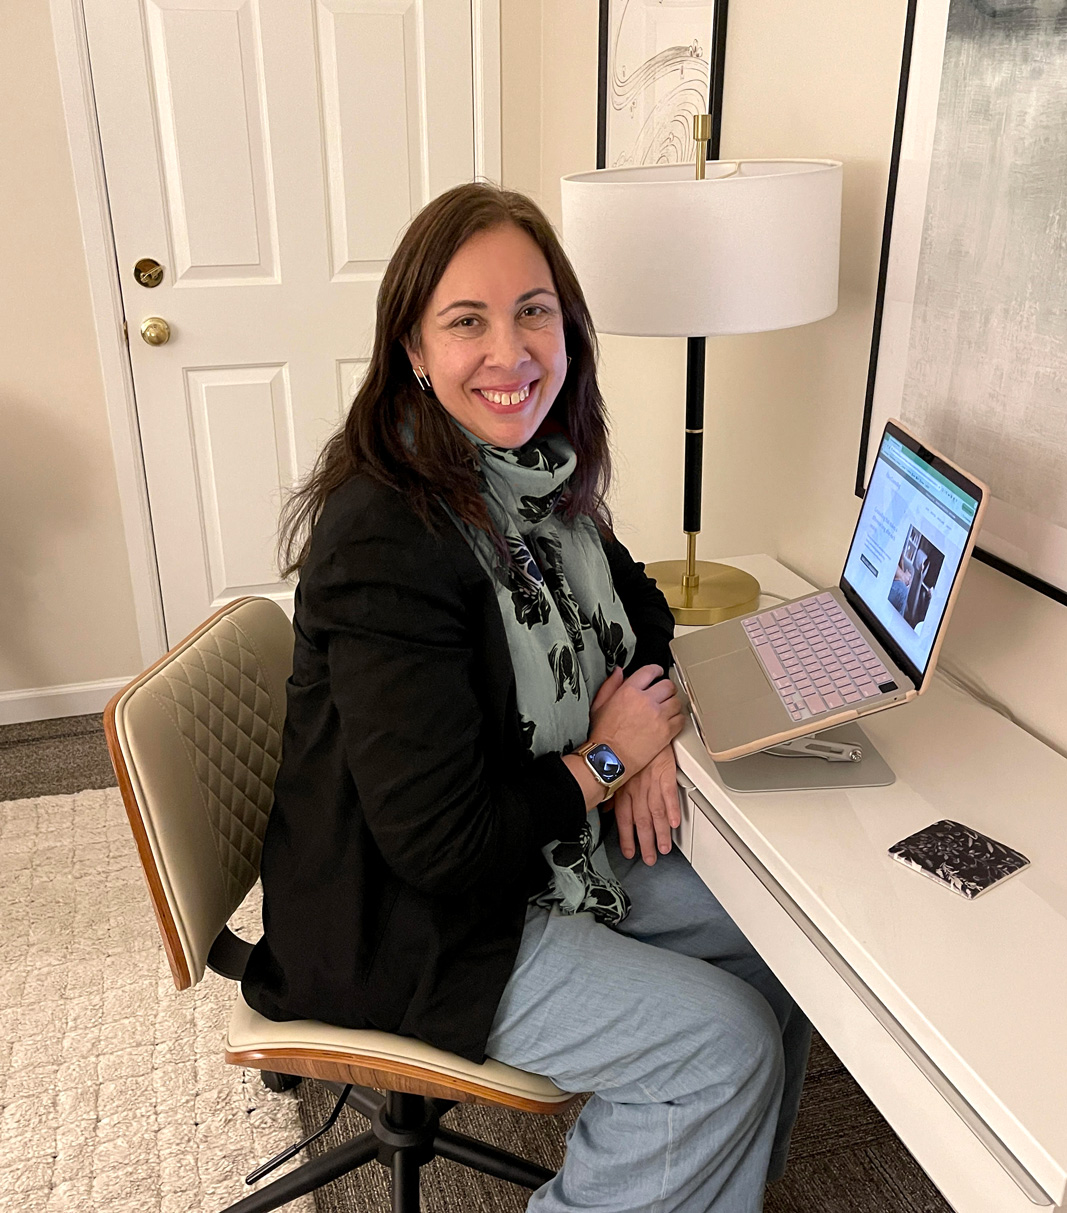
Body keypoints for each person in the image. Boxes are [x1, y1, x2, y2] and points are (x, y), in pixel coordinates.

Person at [242, 182, 810, 1211]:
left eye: (533, 311)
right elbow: (439, 844)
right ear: (413, 349)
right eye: (467, 321)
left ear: (566, 324)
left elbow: (639, 612)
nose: (510, 353)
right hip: (407, 920)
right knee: (715, 1044)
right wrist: (602, 763)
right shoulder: (389, 532)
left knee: (780, 933)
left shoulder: (532, 481)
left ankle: (701, 1185)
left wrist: (636, 734)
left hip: (526, 855)